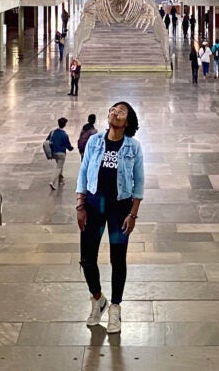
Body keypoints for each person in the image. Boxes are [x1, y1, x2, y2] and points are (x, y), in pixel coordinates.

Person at [76, 101, 144, 335]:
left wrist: (133, 214)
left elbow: (139, 182)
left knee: (118, 259)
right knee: (86, 258)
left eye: (121, 111)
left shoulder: (133, 147)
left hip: (120, 208)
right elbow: (83, 172)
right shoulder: (95, 141)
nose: (115, 113)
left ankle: (115, 306)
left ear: (128, 121)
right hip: (95, 205)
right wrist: (80, 205)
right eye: (113, 109)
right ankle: (98, 299)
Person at [49, 117, 73, 189]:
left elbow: (49, 140)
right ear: (65, 125)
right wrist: (71, 148)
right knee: (59, 167)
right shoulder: (64, 135)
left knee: (60, 165)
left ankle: (60, 180)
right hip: (61, 153)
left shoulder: (53, 132)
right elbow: (68, 145)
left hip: (54, 152)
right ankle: (52, 181)